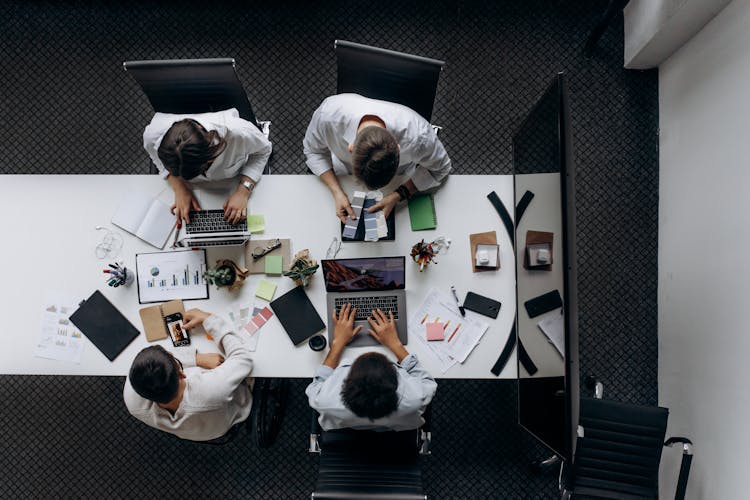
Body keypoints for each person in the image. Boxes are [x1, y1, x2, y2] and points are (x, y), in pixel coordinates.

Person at [303, 93, 452, 223]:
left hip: (399, 179)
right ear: (351, 147)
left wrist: (399, 194)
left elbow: (441, 168)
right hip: (341, 174)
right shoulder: (327, 115)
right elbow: (313, 151)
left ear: (399, 148)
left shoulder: (419, 137)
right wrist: (337, 191)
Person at [123, 308, 253, 442]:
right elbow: (243, 358)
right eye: (175, 359)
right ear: (181, 373)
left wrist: (197, 358)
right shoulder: (211, 388)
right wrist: (208, 318)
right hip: (229, 414)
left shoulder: (131, 396)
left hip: (198, 429)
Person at [305, 304, 437, 431]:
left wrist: (338, 342)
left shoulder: (325, 401)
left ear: (346, 382)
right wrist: (395, 344)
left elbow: (319, 382)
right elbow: (427, 382)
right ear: (396, 381)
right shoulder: (415, 399)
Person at [143, 108, 272, 224]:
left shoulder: (239, 133)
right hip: (195, 190)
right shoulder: (152, 135)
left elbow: (264, 150)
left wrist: (243, 191)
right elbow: (154, 155)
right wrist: (179, 187)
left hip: (233, 183)